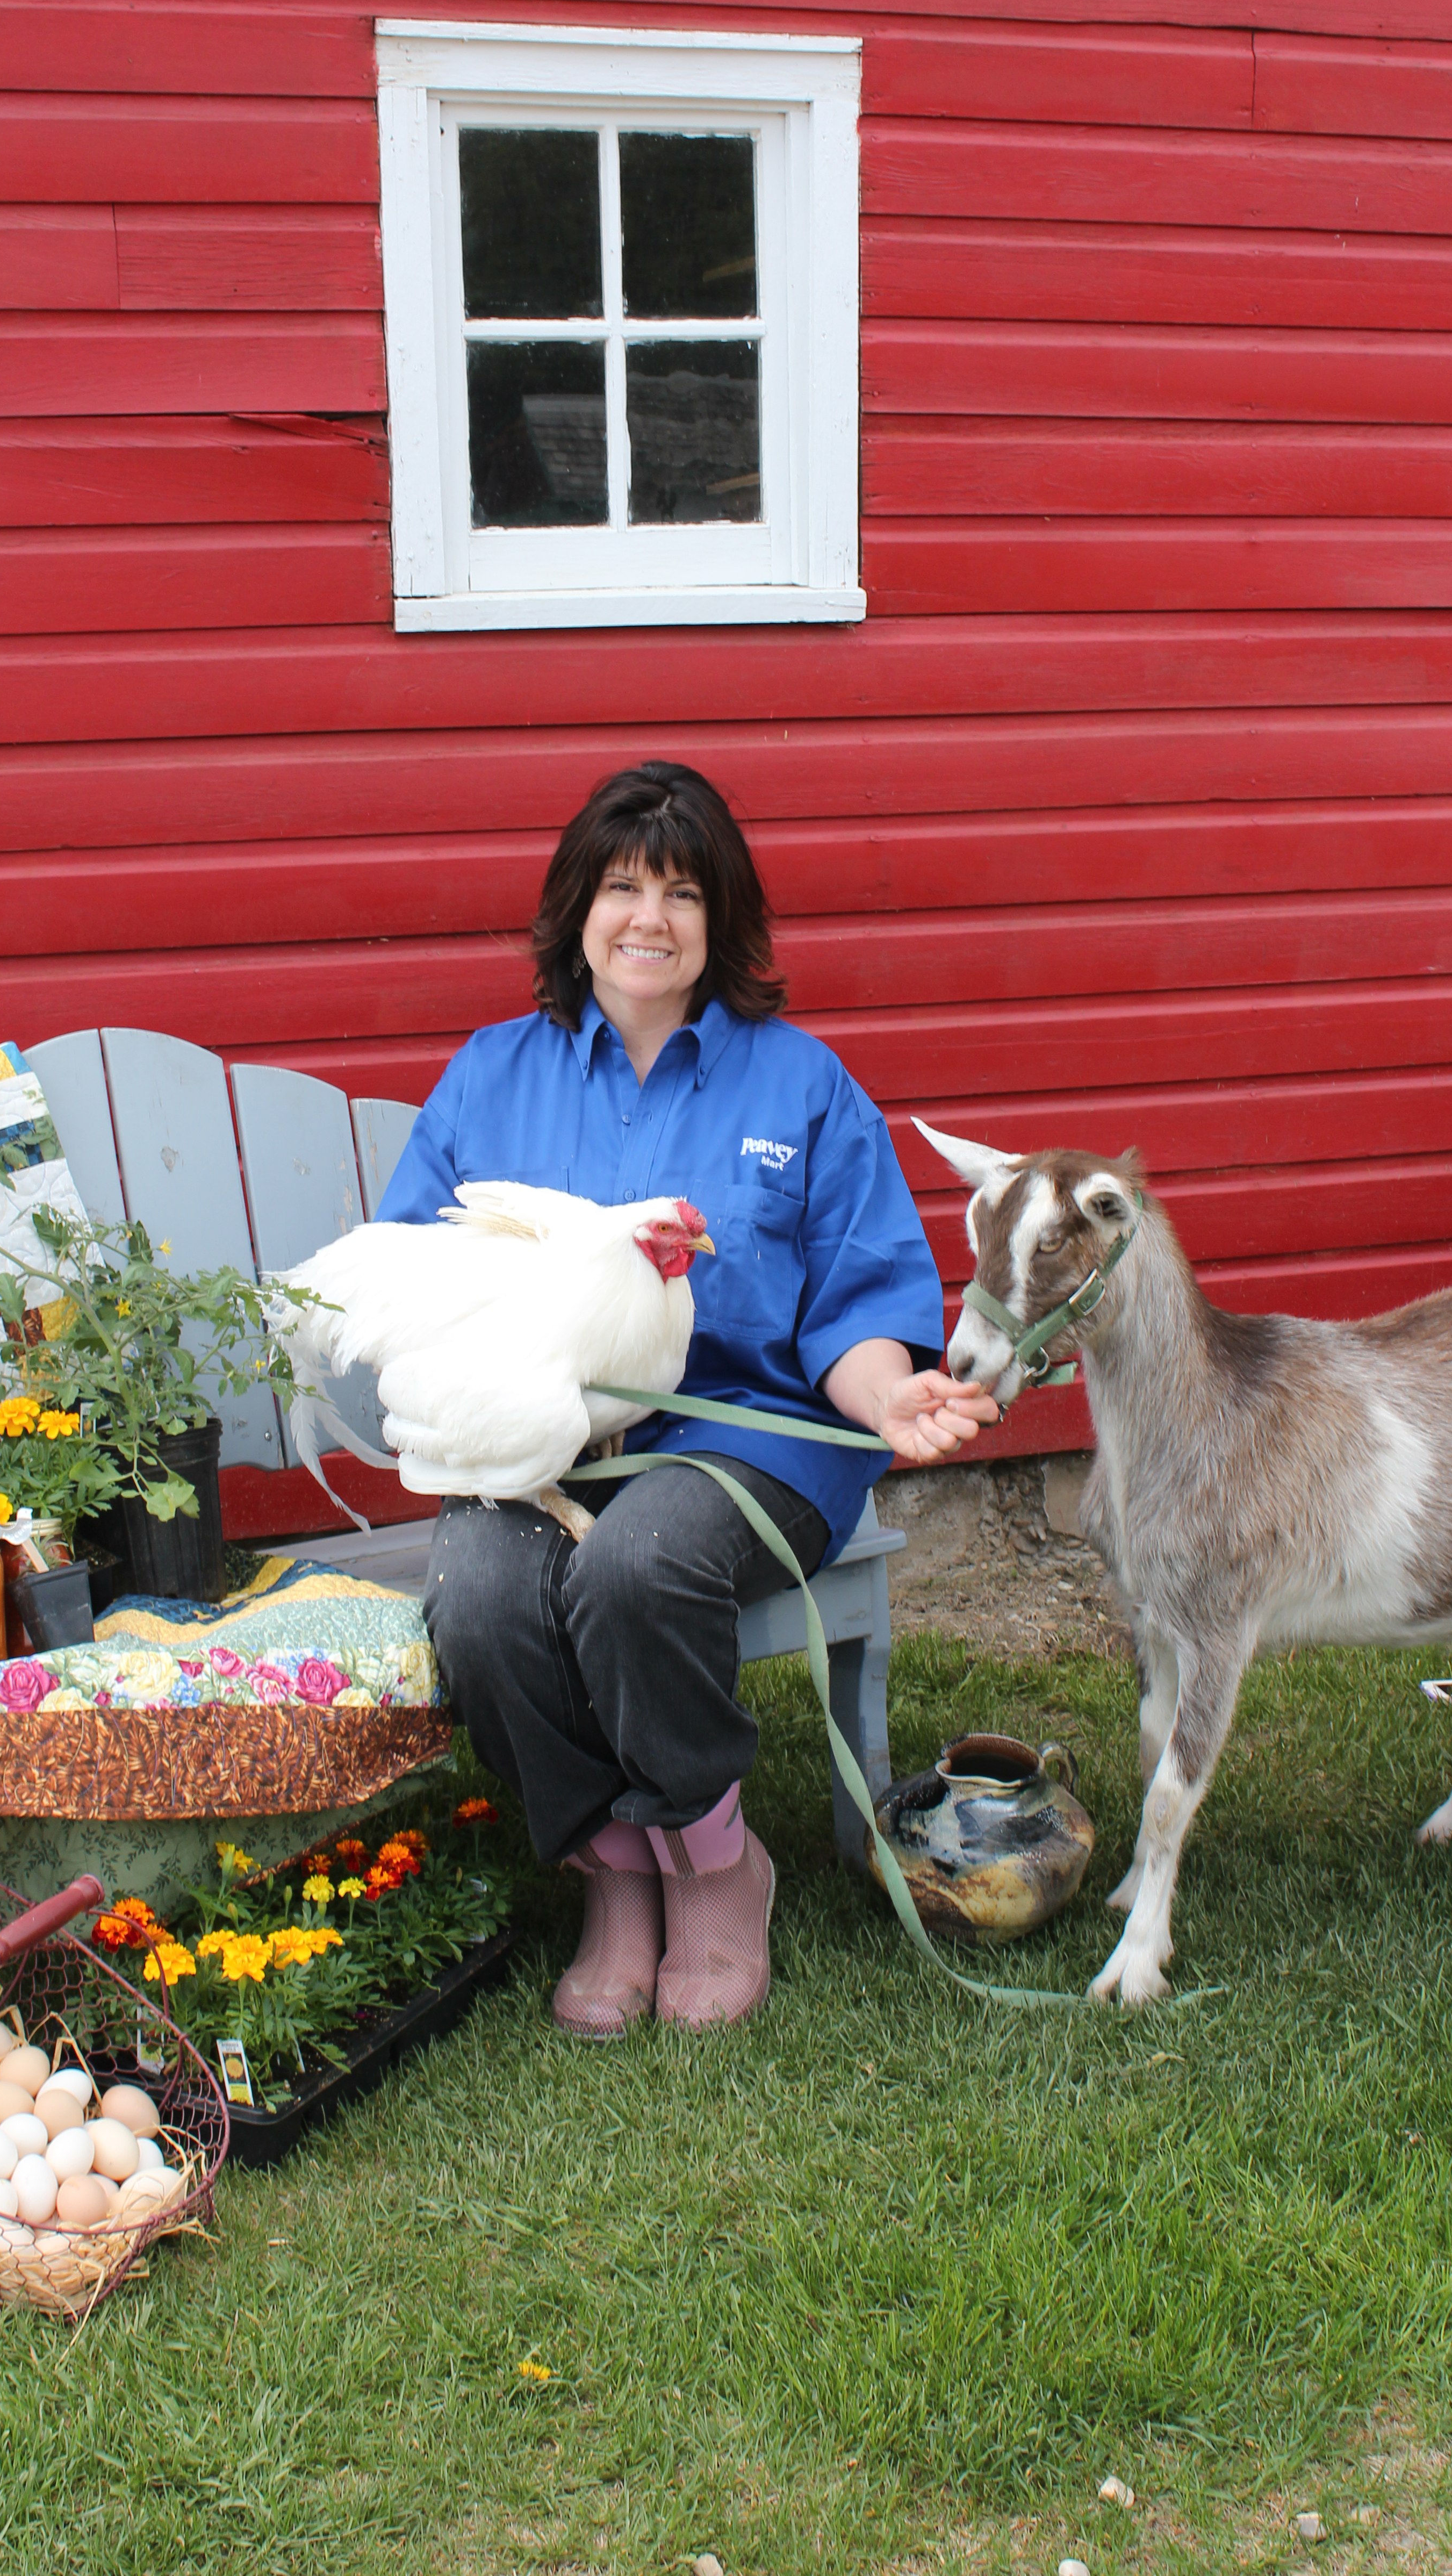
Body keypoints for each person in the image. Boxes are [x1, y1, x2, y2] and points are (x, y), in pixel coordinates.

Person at [376, 762, 998, 2035]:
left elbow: (856, 1308)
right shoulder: (496, 1077)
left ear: (722, 920)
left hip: (743, 1435)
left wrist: (892, 1401)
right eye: (619, 887)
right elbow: (416, 1273)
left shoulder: (801, 1086)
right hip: (540, 1442)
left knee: (640, 1563)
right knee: (484, 1602)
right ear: (577, 911)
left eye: (678, 890)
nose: (647, 919)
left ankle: (716, 1858)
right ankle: (612, 1866)